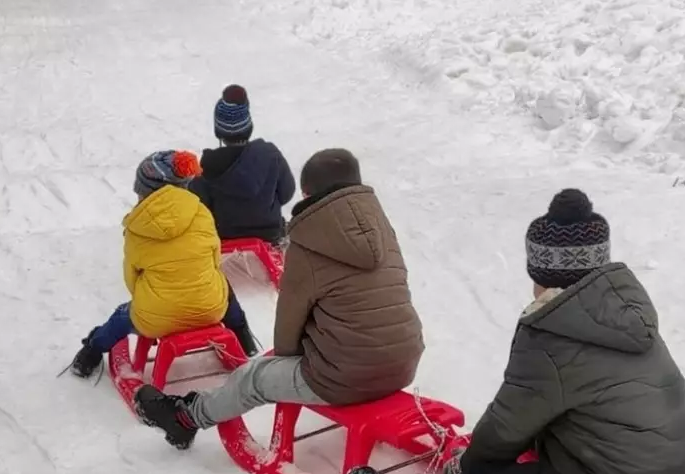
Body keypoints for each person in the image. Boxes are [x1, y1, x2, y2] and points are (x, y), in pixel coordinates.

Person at [341, 189, 685, 474]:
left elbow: (505, 429)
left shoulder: (552, 332)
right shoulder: (624, 313)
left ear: (543, 273)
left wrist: (471, 467)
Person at [135, 148, 424, 450]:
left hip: (345, 378)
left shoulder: (309, 239)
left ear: (306, 192)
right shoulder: (382, 228)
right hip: (404, 363)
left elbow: (288, 328)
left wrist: (288, 360)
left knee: (253, 378)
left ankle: (185, 418)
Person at [69, 150, 259, 378]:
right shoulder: (202, 214)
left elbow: (132, 278)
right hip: (211, 310)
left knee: (122, 315)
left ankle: (91, 351)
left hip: (156, 318)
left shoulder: (137, 228)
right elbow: (214, 260)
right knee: (223, 285)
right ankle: (241, 334)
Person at [187, 85, 295, 246]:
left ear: (219, 132)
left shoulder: (206, 170)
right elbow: (287, 192)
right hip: (270, 240)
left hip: (224, 245)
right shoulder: (269, 155)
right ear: (248, 127)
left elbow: (200, 210)